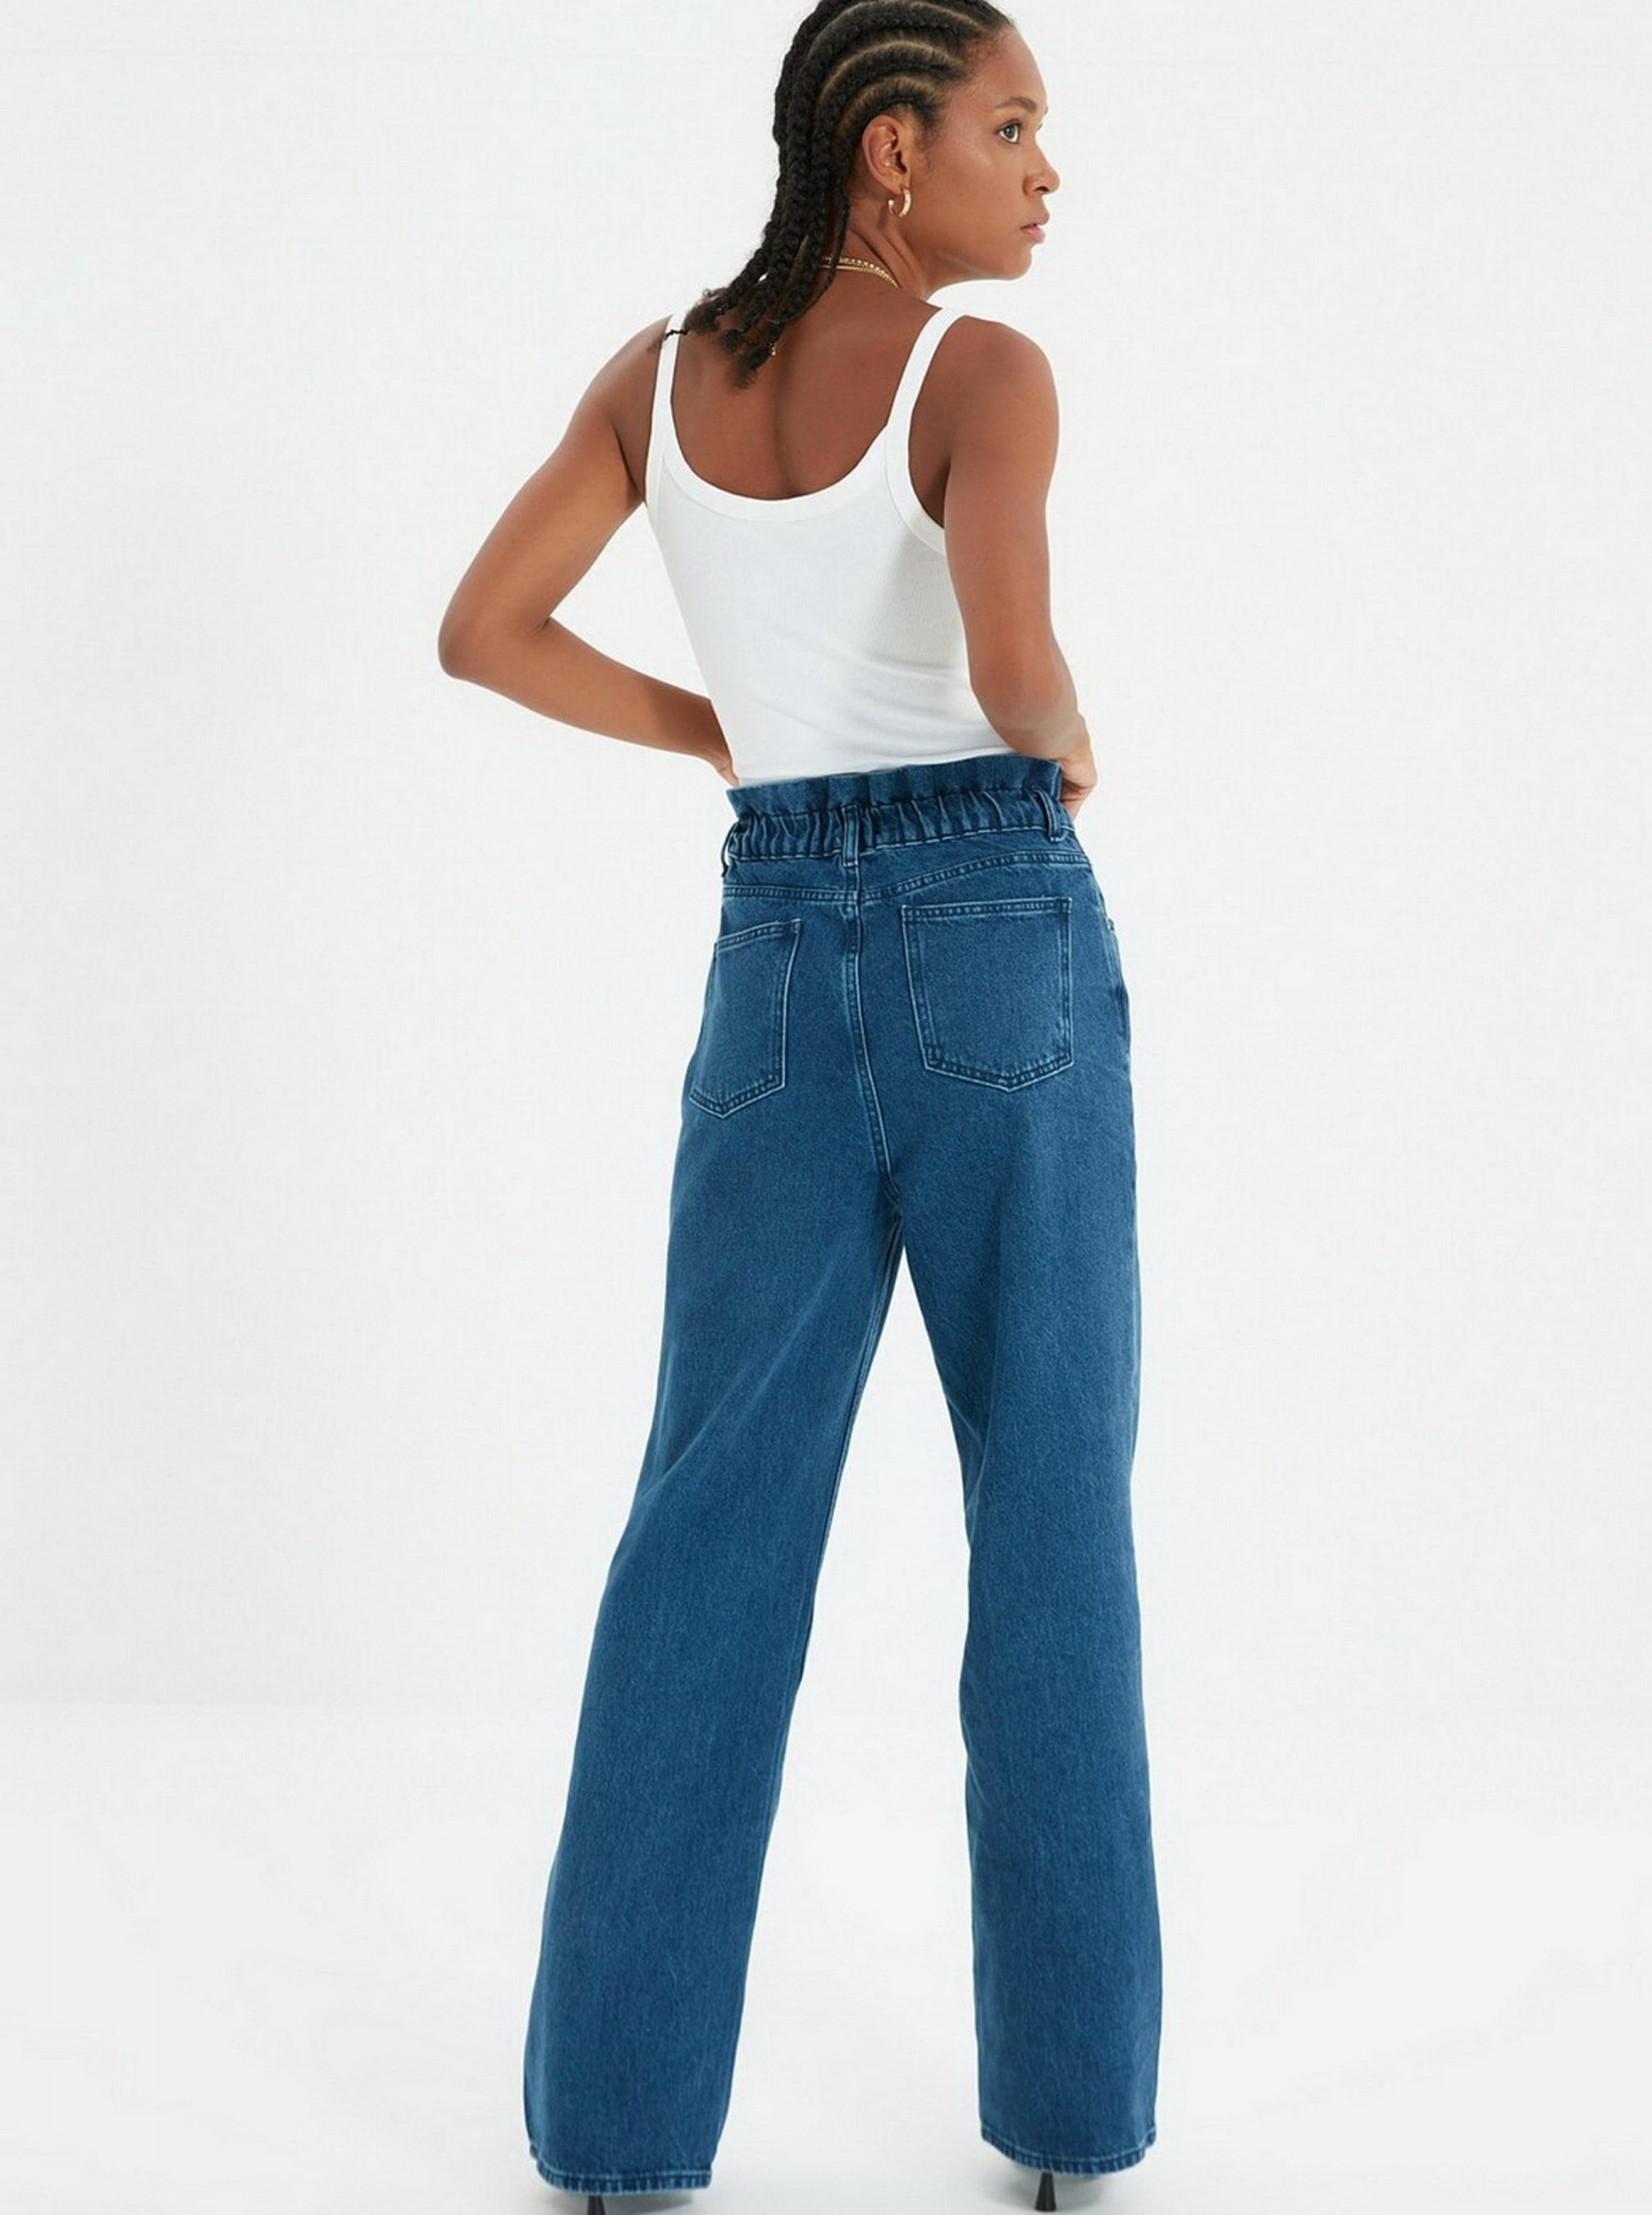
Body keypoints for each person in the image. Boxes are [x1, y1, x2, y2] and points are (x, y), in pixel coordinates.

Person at [437, 3, 1161, 2206]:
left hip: (771, 953)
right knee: (1048, 1509)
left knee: (710, 1524)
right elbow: (1014, 665)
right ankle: (1070, 2125)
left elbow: (486, 629)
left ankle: (620, 2136)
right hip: (993, 934)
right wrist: (1067, 738)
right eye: (1011, 126)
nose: (1047, 170)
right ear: (888, 151)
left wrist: (725, 733)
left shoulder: (654, 377)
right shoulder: (982, 375)